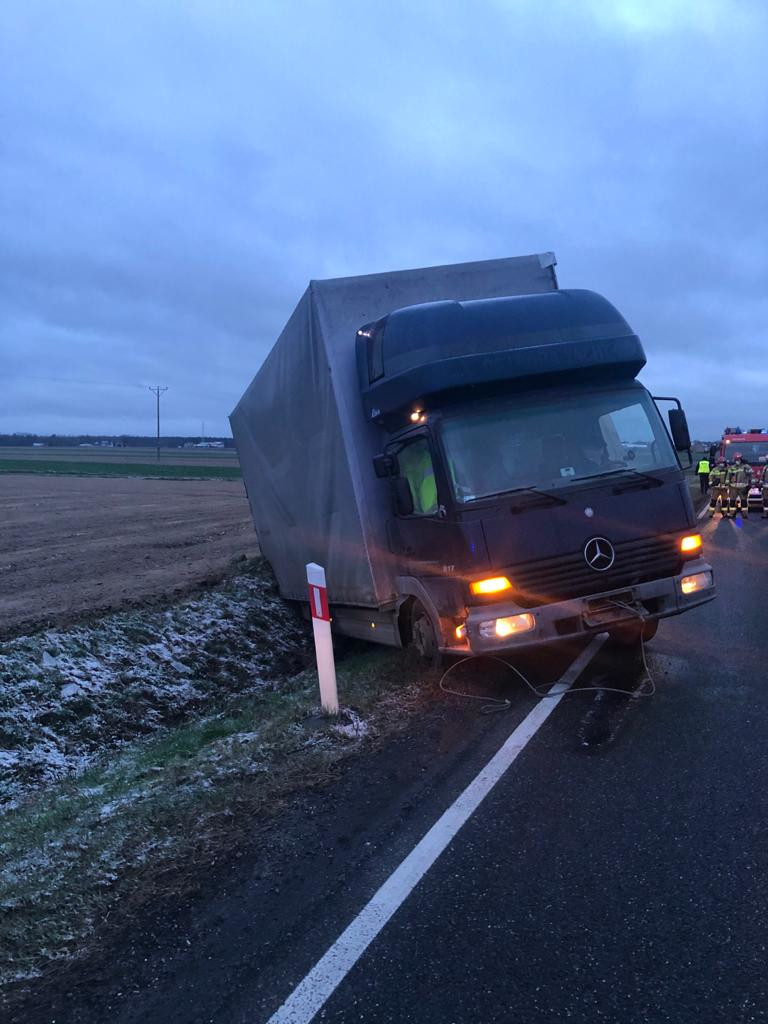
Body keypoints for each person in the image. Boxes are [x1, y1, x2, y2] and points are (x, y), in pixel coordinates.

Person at [726, 452, 753, 519]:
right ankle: (732, 514)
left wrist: (750, 484)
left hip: (743, 487)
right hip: (733, 487)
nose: (737, 461)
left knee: (744, 501)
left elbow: (751, 475)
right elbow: (728, 477)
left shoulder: (746, 467)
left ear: (741, 459)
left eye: (738, 459)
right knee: (732, 501)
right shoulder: (732, 468)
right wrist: (727, 484)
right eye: (736, 459)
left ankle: (744, 514)